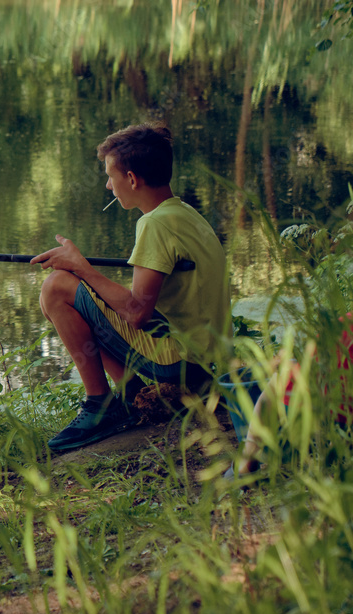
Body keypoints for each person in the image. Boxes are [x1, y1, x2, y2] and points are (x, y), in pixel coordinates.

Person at [30, 123, 231, 453]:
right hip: (206, 357)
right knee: (85, 294)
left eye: (111, 176)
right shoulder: (184, 213)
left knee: (56, 287)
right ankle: (130, 393)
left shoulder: (153, 224)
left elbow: (137, 313)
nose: (109, 186)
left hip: (180, 360)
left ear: (133, 179)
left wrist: (81, 267)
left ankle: (101, 405)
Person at [233, 311, 353, 477]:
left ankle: (247, 460)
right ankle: (333, 457)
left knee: (277, 380)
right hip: (338, 412)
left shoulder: (342, 323)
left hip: (303, 403)